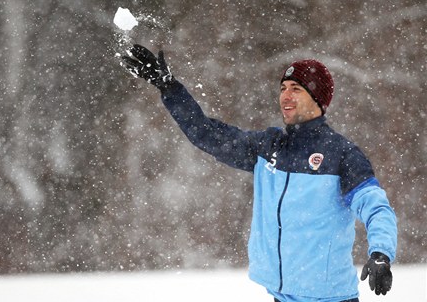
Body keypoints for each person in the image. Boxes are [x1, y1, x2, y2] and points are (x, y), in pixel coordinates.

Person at [121, 44, 397, 302]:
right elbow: (207, 134)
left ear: (317, 98)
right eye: (283, 88)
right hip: (280, 295)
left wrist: (381, 252)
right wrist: (168, 87)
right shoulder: (268, 146)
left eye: (296, 89)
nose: (285, 96)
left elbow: (376, 208)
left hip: (329, 298)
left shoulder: (342, 154)